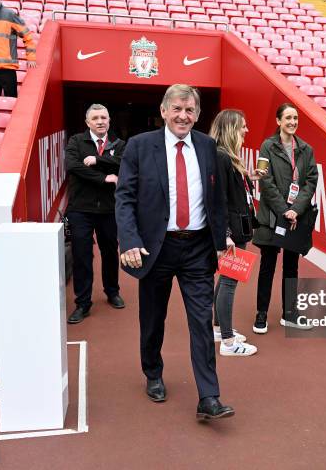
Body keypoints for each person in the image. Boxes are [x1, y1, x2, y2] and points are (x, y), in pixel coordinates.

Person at [115, 84, 234, 421]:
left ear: (197, 115)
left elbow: (217, 197)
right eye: (177, 109)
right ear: (164, 111)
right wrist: (129, 239)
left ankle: (209, 396)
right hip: (156, 248)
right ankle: (152, 372)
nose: (184, 116)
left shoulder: (209, 147)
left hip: (197, 248)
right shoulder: (140, 146)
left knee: (201, 322)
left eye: (190, 110)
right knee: (153, 319)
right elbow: (124, 197)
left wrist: (223, 236)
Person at [252, 103, 319, 334]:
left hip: (295, 217)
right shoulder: (268, 146)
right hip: (273, 216)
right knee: (267, 266)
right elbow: (266, 181)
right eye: (288, 118)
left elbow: (311, 181)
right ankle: (261, 314)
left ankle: (289, 314)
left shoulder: (306, 149)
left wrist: (296, 209)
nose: (292, 122)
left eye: (296, 118)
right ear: (279, 121)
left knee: (291, 266)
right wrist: (284, 210)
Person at [65, 104, 126, 324]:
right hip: (81, 209)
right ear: (87, 122)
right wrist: (104, 178)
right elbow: (73, 167)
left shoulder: (119, 144)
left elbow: (124, 164)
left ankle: (112, 291)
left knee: (110, 251)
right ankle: (83, 303)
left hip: (109, 209)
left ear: (109, 120)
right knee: (82, 255)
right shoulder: (76, 142)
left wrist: (98, 161)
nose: (100, 121)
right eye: (95, 118)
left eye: (104, 117)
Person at [210, 110, 263, 356]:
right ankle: (229, 342)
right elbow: (217, 199)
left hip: (238, 228)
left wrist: (248, 177)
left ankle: (219, 329)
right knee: (230, 283)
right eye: (243, 126)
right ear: (231, 127)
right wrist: (226, 235)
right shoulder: (221, 157)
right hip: (233, 231)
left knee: (225, 280)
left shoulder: (227, 157)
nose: (246, 131)